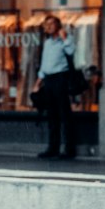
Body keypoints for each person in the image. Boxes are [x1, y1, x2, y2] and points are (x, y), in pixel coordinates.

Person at [34, 14, 77, 159]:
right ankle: (53, 148)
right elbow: (45, 64)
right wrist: (37, 83)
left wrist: (64, 38)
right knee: (52, 116)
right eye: (46, 24)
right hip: (49, 80)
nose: (48, 27)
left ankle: (69, 149)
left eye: (51, 24)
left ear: (57, 25)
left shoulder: (65, 40)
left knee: (65, 115)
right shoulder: (47, 43)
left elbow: (71, 52)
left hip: (60, 79)